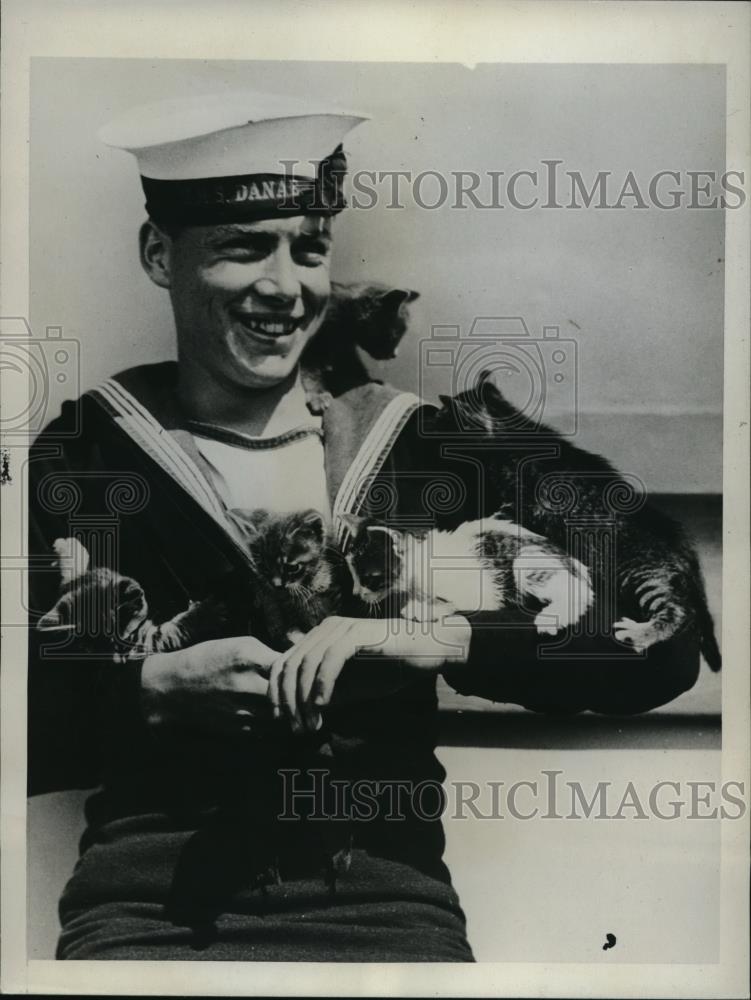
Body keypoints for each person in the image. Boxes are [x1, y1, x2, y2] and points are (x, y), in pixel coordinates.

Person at [27, 91, 701, 961]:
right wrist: (151, 690)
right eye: (244, 248)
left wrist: (442, 640)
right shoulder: (90, 452)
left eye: (309, 249)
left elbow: (662, 654)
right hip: (150, 920)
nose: (284, 286)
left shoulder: (425, 447)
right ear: (160, 254)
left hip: (390, 918)